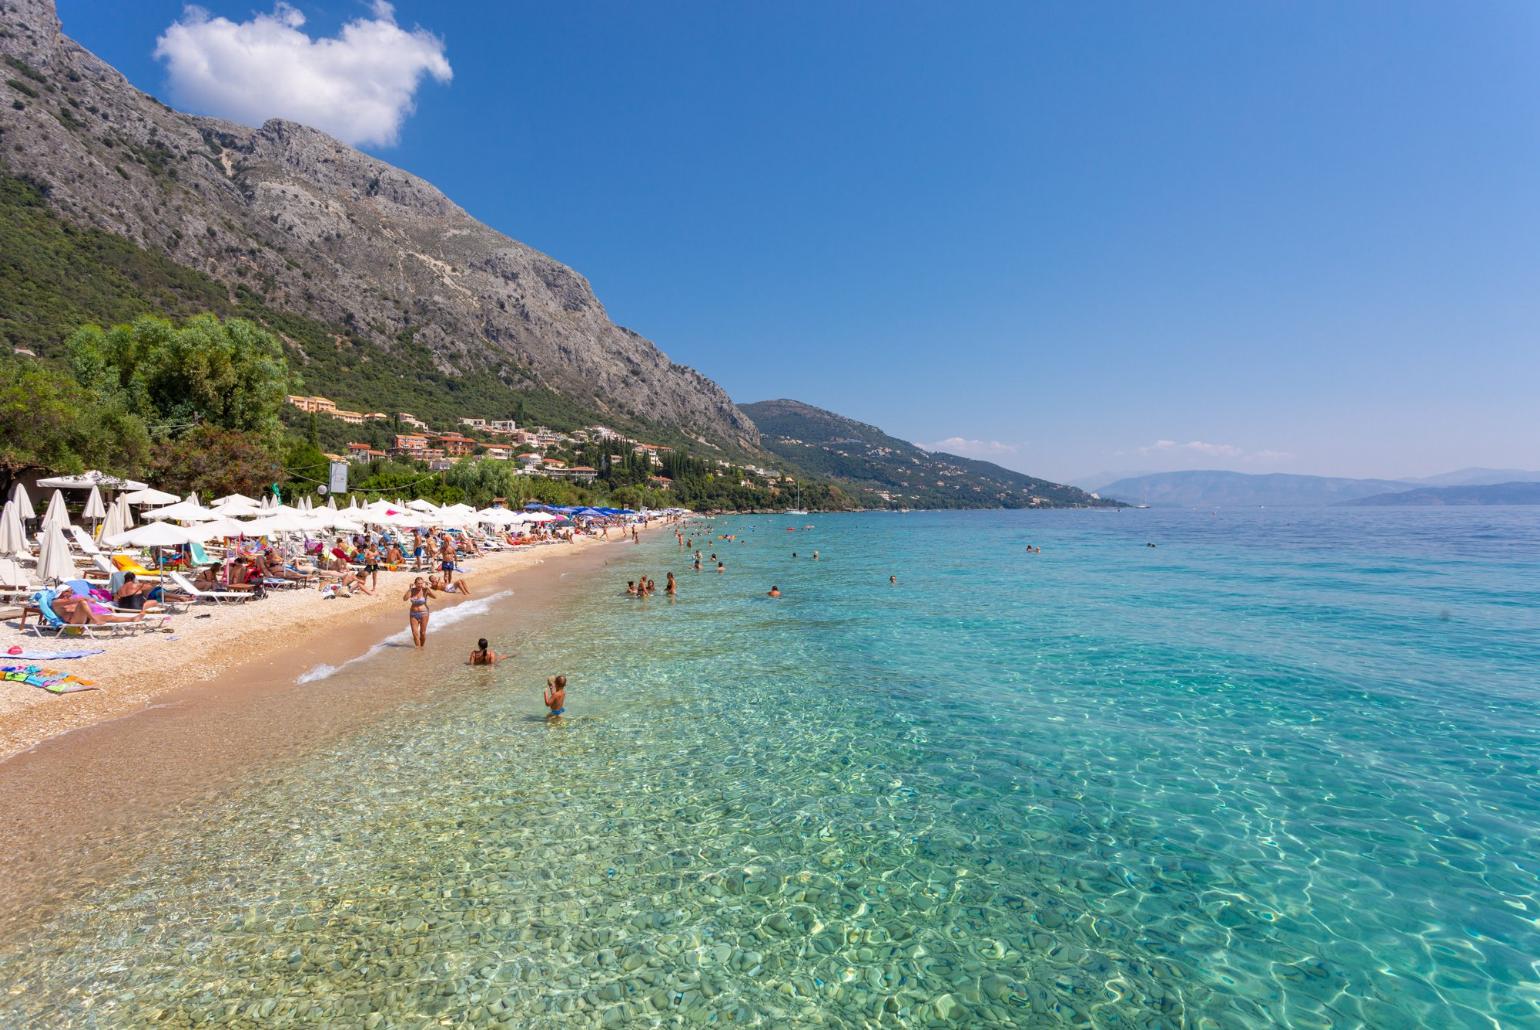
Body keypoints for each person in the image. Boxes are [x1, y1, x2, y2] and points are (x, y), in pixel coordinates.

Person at [404, 577, 434, 647]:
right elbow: (405, 599)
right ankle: (418, 648)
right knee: (414, 633)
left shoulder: (425, 590)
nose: (420, 585)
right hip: (413, 614)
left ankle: (422, 647)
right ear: (415, 584)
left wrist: (428, 589)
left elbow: (435, 596)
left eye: (421, 583)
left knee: (422, 633)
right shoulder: (412, 590)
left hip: (424, 613)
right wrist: (409, 589)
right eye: (418, 583)